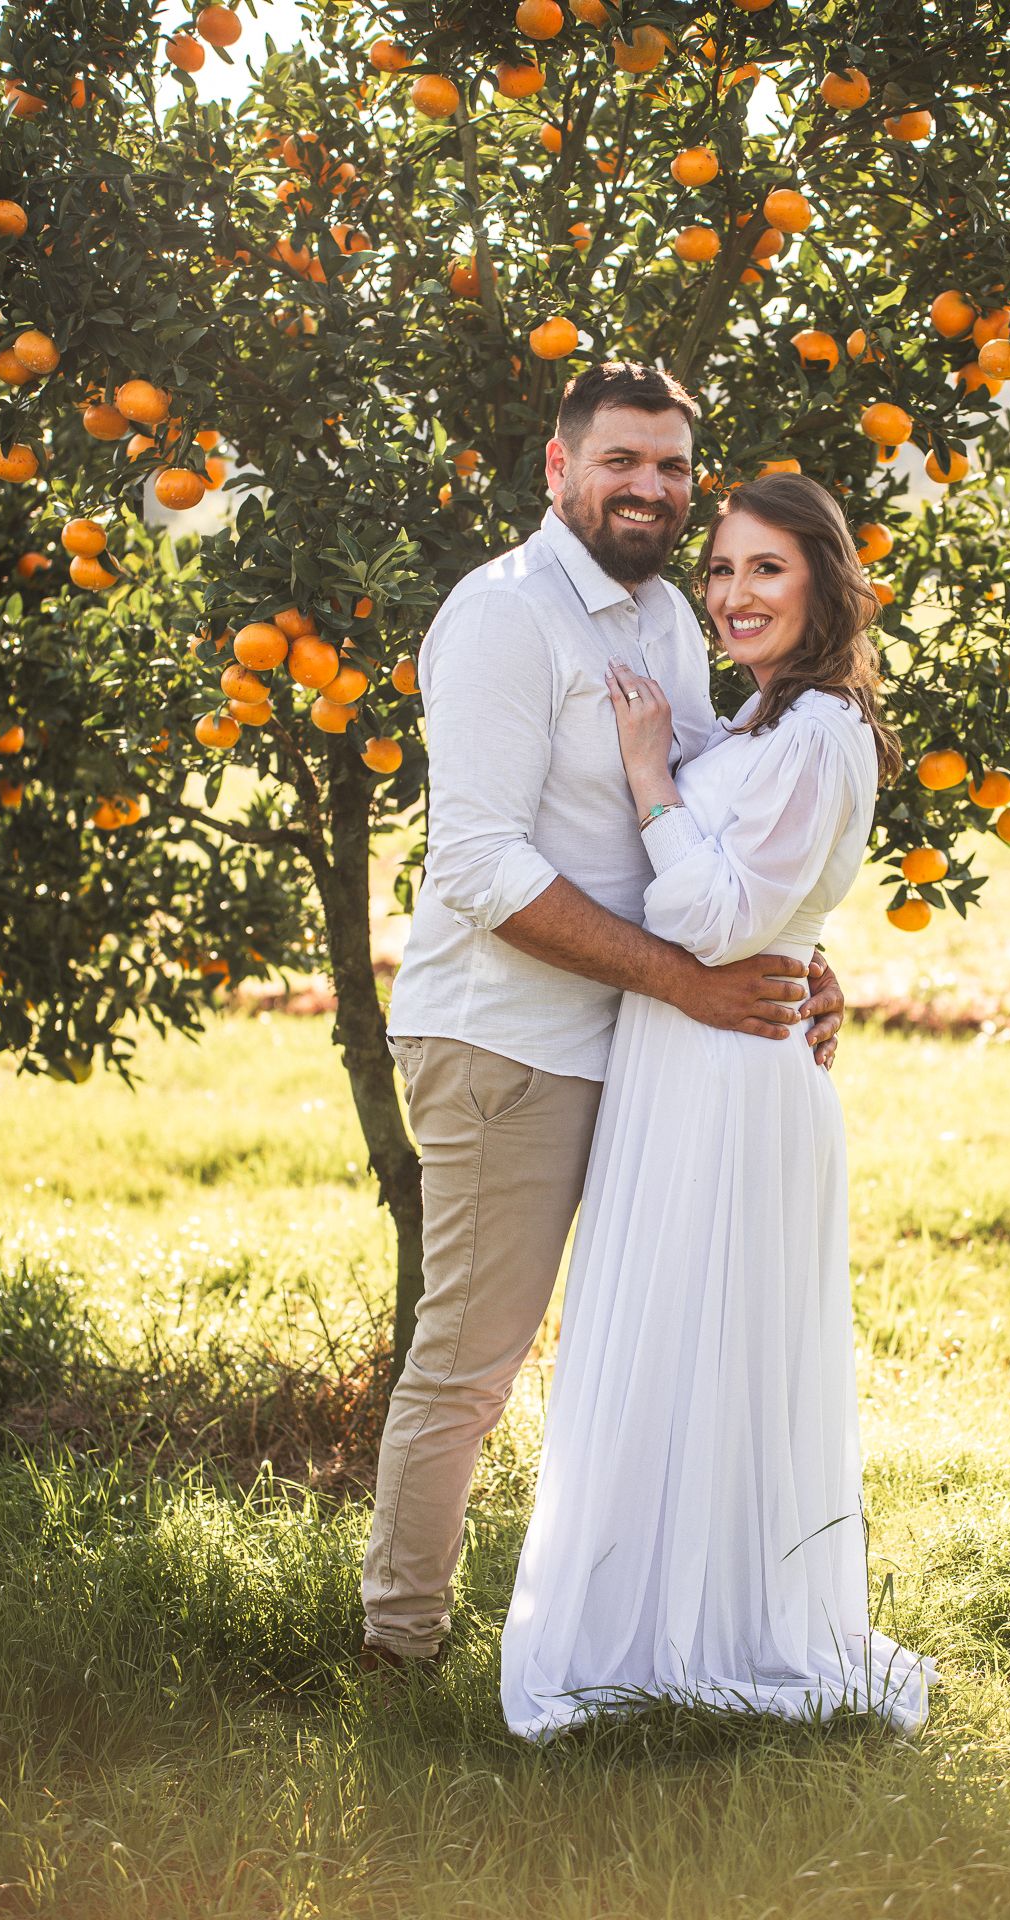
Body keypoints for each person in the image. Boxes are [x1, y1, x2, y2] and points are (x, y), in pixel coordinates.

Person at [360, 364, 846, 1671]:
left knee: (654, 1358)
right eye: (623, 461)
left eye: (673, 468)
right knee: (470, 1367)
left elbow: (698, 806)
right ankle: (398, 1648)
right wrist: (686, 981)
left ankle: (650, 1635)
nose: (651, 488)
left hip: (639, 1045)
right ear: (556, 471)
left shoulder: (669, 619)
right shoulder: (505, 618)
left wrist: (794, 947)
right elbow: (476, 865)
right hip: (507, 1043)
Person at [500, 474, 939, 1737]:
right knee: (666, 1330)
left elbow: (709, 915)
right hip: (682, 1057)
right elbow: (753, 899)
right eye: (722, 571)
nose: (733, 596)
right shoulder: (755, 719)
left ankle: (720, 1631)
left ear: (823, 585)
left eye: (765, 571)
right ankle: (648, 1619)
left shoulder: (822, 732)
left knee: (717, 1335)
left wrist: (648, 777)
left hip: (737, 1071)